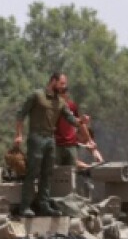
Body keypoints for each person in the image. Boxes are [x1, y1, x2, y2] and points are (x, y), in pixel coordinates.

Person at [14, 72, 80, 217]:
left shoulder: (60, 102)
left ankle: (44, 205)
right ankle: (25, 206)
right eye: (62, 83)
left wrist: (81, 121)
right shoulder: (37, 96)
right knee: (33, 171)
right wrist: (19, 134)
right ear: (53, 81)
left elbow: (71, 119)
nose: (64, 87)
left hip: (50, 139)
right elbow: (21, 114)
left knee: (48, 173)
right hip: (36, 137)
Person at [54, 86, 100, 168]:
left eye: (65, 92)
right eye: (62, 93)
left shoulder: (71, 106)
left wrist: (90, 142)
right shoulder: (52, 107)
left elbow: (81, 124)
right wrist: (87, 167)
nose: (65, 95)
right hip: (56, 144)